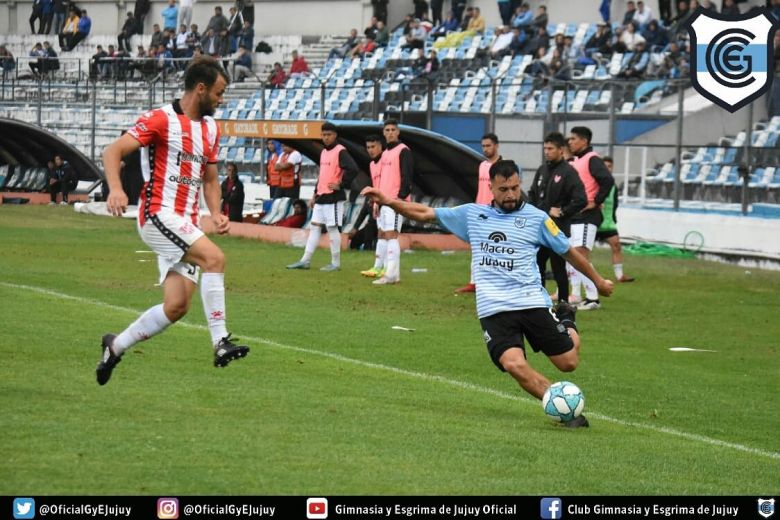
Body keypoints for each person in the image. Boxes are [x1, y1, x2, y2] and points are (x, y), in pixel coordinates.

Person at [362, 160, 613, 427]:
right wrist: (388, 200)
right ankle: (564, 409)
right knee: (514, 365)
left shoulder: (537, 218)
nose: (511, 195)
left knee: (569, 362)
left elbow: (569, 252)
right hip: (493, 309)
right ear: (490, 187)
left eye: (515, 188)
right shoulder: (472, 215)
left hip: (530, 301)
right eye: (504, 189)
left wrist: (597, 281)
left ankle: (567, 319)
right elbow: (424, 213)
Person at [97, 57, 249, 386]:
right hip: (158, 214)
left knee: (176, 306)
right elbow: (112, 151)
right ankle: (221, 341)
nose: (222, 100)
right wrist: (116, 190)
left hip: (187, 223)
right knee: (215, 258)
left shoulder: (210, 128)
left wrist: (217, 212)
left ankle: (115, 346)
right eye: (219, 93)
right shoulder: (161, 119)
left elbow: (209, 180)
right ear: (200, 88)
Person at [287, 122, 359, 272]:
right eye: (324, 135)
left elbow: (353, 168)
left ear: (335, 135)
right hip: (321, 196)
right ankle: (305, 260)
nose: (326, 138)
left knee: (332, 228)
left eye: (329, 135)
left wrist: (341, 184)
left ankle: (335, 263)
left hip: (333, 197)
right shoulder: (324, 152)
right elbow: (322, 176)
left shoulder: (340, 151)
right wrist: (315, 194)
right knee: (314, 227)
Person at [528, 132, 587, 305]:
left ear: (561, 150)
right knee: (537, 265)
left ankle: (563, 303)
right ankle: (539, 301)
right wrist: (533, 210)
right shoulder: (542, 169)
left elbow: (581, 199)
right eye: (545, 148)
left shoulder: (568, 172)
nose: (547, 152)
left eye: (550, 148)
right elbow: (532, 193)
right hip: (539, 229)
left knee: (558, 267)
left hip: (557, 229)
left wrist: (563, 212)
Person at [566, 126, 615, 310]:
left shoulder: (592, 159)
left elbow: (607, 180)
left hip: (588, 216)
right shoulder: (577, 160)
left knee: (581, 256)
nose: (570, 141)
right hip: (577, 215)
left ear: (584, 141)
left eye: (573, 138)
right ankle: (577, 295)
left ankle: (593, 299)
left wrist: (596, 200)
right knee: (574, 256)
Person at [455, 133, 502, 294]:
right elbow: (481, 190)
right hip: (480, 213)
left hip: (495, 214)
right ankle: (474, 282)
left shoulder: (504, 166)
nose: (485, 149)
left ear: (496, 146)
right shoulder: (482, 165)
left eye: (488, 145)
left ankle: (493, 282)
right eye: (483, 146)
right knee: (477, 247)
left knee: (495, 248)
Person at [370, 119, 413, 285]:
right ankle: (394, 274)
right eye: (387, 130)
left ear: (398, 132)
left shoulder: (404, 151)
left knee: (392, 237)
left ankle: (390, 275)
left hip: (395, 201)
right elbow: (382, 181)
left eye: (393, 129)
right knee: (388, 237)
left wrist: (399, 199)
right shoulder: (386, 153)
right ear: (383, 133)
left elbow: (407, 176)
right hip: (384, 201)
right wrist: (378, 202)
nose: (390, 132)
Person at [596, 156, 635, 283]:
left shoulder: (612, 184)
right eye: (605, 166)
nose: (607, 169)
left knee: (616, 246)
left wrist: (613, 217)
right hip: (593, 221)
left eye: (610, 166)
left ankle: (620, 276)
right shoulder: (594, 181)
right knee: (582, 251)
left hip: (608, 223)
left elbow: (614, 203)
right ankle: (577, 276)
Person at [360, 134, 386, 278]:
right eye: (368, 147)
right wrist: (375, 201)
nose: (370, 150)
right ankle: (377, 267)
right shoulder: (372, 164)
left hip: (389, 202)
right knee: (381, 234)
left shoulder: (387, 161)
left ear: (381, 146)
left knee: (388, 235)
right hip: (379, 202)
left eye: (373, 146)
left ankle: (388, 269)